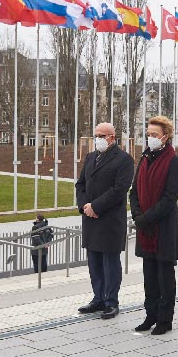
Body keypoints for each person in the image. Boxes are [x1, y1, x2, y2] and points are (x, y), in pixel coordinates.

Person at [129, 116, 178, 335]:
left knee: (164, 276)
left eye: (154, 135)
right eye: (148, 134)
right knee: (149, 276)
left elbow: (170, 197)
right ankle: (150, 315)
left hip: (163, 229)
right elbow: (134, 192)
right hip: (146, 228)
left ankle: (165, 319)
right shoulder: (144, 159)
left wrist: (147, 217)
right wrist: (137, 214)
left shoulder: (174, 161)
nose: (150, 138)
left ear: (165, 137)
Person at [75, 122, 134, 319]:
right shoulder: (91, 157)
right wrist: (85, 206)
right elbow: (80, 184)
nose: (98, 139)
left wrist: (96, 206)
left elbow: (119, 190)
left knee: (110, 263)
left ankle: (111, 301)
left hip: (109, 220)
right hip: (91, 219)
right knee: (94, 262)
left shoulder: (124, 160)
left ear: (112, 137)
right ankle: (98, 298)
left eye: (102, 135)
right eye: (96, 135)